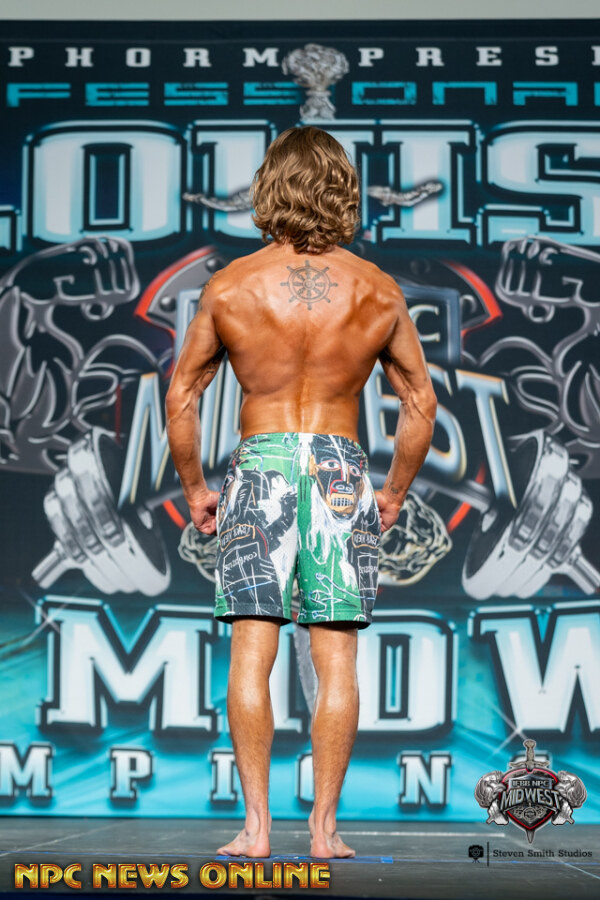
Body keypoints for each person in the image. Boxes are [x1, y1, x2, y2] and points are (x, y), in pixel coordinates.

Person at [165, 126, 437, 859]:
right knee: (336, 660)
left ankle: (256, 829)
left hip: (262, 467)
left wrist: (195, 489)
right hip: (341, 470)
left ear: (269, 189)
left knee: (251, 652)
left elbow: (183, 395)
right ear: (343, 191)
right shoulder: (376, 288)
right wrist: (392, 493)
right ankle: (324, 830)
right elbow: (420, 402)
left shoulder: (232, 285)